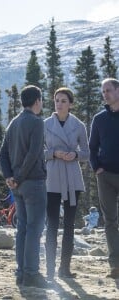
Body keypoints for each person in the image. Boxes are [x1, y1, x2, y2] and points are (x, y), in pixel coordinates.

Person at [0, 85, 48, 288]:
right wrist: (18, 176)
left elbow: (2, 154)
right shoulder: (37, 123)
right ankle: (31, 273)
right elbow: (34, 154)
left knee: (22, 229)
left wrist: (9, 176)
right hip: (33, 182)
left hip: (16, 186)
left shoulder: (13, 123)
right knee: (34, 229)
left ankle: (21, 272)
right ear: (37, 101)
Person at [44, 87, 89, 281]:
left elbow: (87, 154)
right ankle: (50, 269)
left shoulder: (79, 125)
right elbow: (37, 153)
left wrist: (76, 155)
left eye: (63, 100)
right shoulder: (44, 125)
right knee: (52, 224)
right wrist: (53, 153)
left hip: (72, 178)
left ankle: (65, 268)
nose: (59, 103)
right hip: (52, 177)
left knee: (69, 225)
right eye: (57, 100)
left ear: (70, 104)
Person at [89, 78, 119, 279]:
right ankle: (116, 265)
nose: (105, 94)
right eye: (103, 91)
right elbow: (92, 148)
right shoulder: (99, 119)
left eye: (108, 90)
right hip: (106, 176)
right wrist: (97, 168)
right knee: (110, 221)